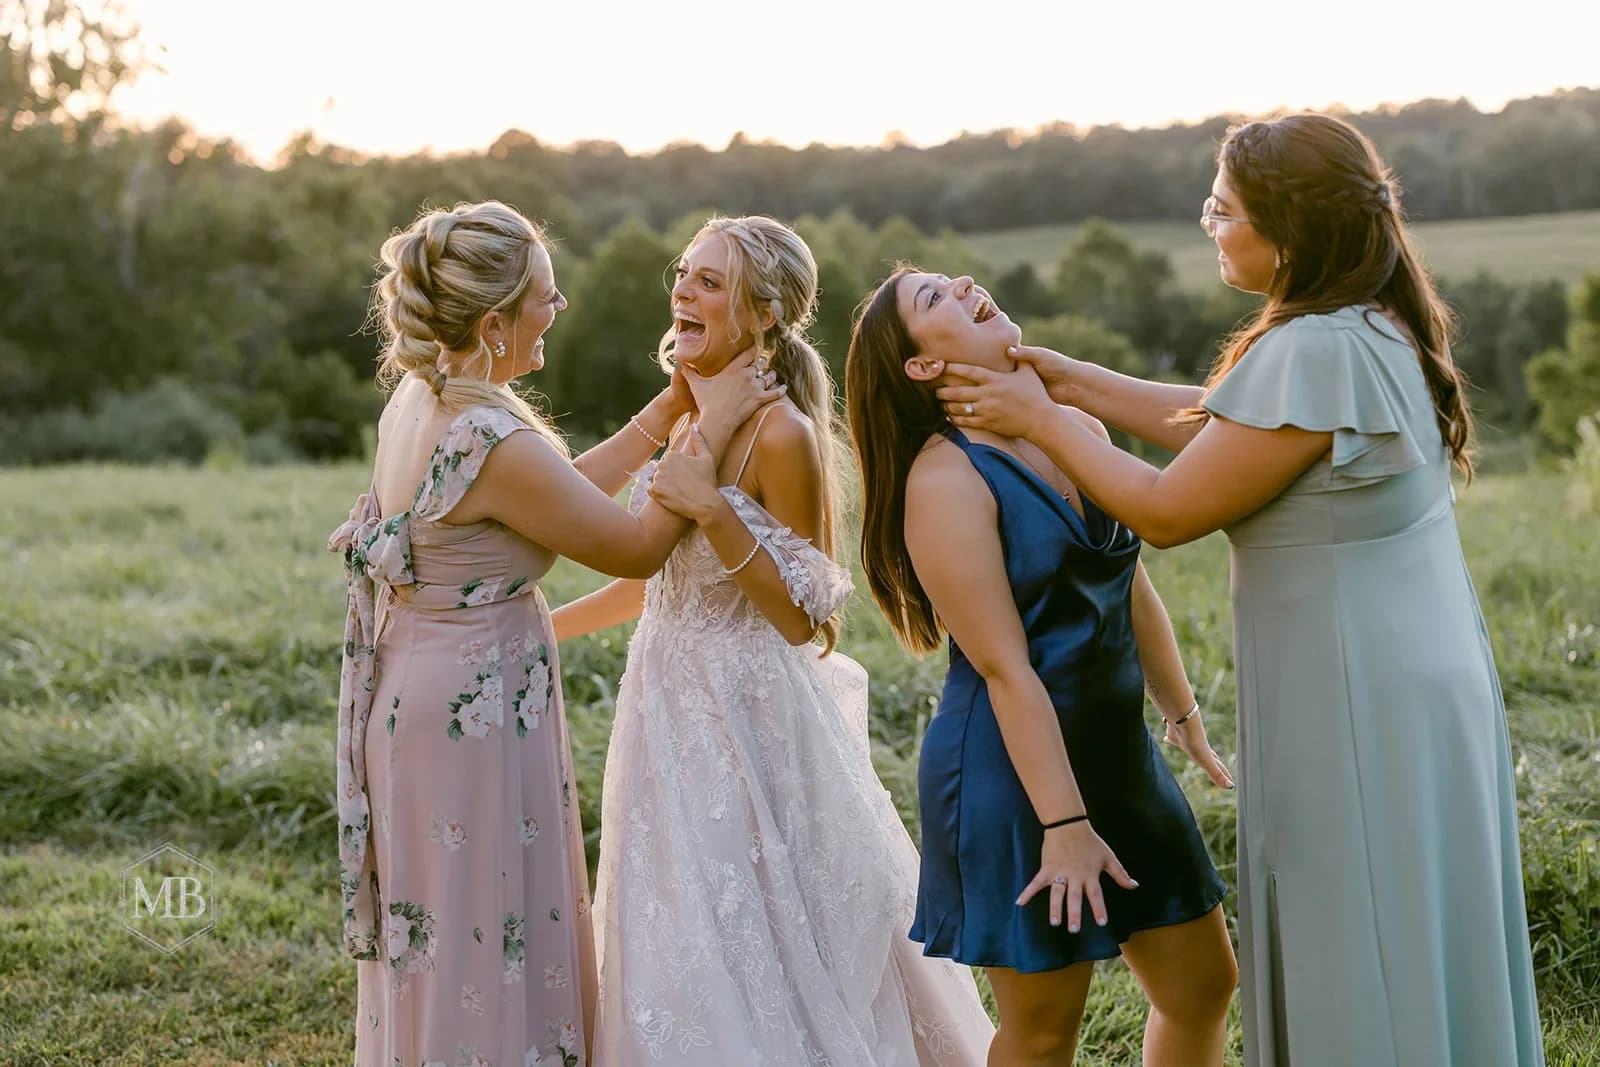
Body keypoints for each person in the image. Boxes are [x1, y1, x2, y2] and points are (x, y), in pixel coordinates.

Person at [935, 113, 1546, 1066]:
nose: (1208, 222)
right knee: (1414, 910)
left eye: (1223, 209)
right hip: (1414, 679)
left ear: (1286, 234)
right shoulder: (1364, 325)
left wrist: (1040, 420)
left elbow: (1174, 509)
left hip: (1354, 695)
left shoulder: (1312, 350)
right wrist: (1068, 382)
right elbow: (1222, 433)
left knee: (1359, 917)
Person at [328, 200, 776, 1067]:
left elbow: (555, 490)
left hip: (417, 696)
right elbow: (638, 547)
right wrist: (710, 429)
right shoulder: (491, 438)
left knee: (448, 934)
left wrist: (665, 408)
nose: (559, 307)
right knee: (485, 930)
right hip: (472, 717)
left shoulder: (424, 400)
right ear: (495, 323)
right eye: (545, 294)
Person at [552, 215, 995, 1065]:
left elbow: (806, 616)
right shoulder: (689, 417)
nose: (684, 288)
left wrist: (716, 512)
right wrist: (541, 629)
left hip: (746, 712)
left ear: (761, 315)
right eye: (685, 272)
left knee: (759, 919)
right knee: (674, 914)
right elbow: (650, 580)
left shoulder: (780, 432)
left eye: (710, 281)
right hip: (663, 703)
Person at [845, 266, 1238, 1066]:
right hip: (1012, 778)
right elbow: (1004, 670)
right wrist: (1064, 826)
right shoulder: (944, 476)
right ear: (923, 367)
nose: (962, 283)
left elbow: (1130, 588)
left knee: (1202, 984)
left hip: (1120, 758)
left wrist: (1183, 718)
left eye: (952, 279)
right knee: (1046, 1030)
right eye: (933, 299)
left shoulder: (1077, 430)